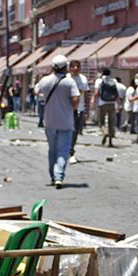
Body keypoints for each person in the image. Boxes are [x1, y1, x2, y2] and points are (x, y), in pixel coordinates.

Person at [35, 55, 80, 188]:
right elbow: (76, 101)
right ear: (65, 67)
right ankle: (58, 176)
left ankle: (53, 176)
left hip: (49, 121)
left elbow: (37, 91)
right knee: (63, 151)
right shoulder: (70, 82)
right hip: (65, 121)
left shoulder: (45, 80)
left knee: (52, 150)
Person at [93, 68, 120, 147]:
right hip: (112, 103)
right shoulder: (114, 81)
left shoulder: (99, 81)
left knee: (101, 122)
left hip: (102, 103)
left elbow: (96, 93)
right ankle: (110, 142)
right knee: (111, 123)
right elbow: (117, 94)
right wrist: (117, 104)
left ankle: (105, 132)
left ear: (102, 73)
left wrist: (93, 102)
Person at [68, 59, 89, 160]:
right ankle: (67, 149)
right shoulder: (66, 78)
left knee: (75, 131)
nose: (75, 68)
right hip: (67, 109)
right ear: (70, 68)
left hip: (79, 109)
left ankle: (71, 149)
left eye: (78, 66)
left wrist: (87, 110)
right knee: (67, 130)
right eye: (73, 66)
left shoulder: (83, 79)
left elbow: (86, 95)